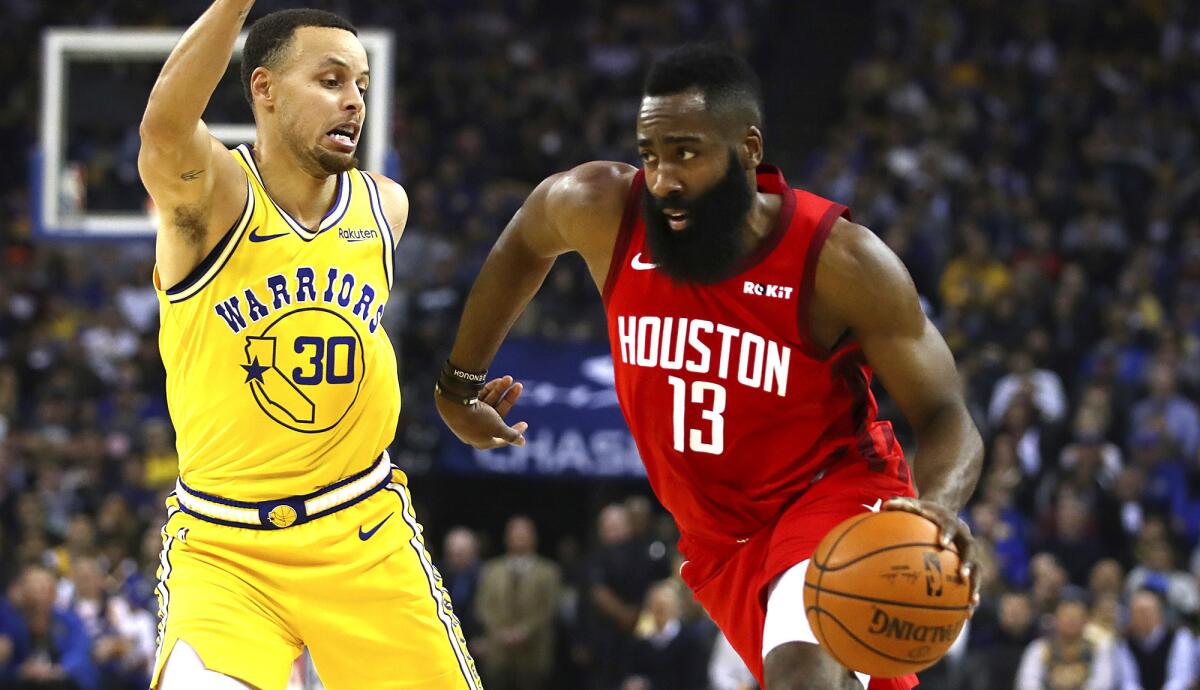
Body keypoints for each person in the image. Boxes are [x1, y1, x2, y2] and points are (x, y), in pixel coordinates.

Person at [437, 44, 983, 690]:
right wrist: (457, 388)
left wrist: (936, 507)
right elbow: (523, 242)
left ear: (748, 149)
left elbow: (947, 414)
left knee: (801, 671)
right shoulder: (602, 207)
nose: (664, 176)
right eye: (650, 153)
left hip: (828, 495)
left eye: (686, 153)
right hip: (716, 541)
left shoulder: (840, 262)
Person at [137, 3, 479, 688]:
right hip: (226, 550)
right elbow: (166, 126)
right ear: (263, 88)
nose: (353, 101)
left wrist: (460, 383)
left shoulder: (385, 207)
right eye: (329, 81)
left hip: (362, 533)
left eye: (360, 84)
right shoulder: (212, 198)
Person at [474, 516, 561, 690]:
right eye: (515, 535)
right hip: (498, 653)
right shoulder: (491, 570)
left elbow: (549, 608)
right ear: (506, 538)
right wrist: (501, 631)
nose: (519, 539)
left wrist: (525, 630)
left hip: (534, 654)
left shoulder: (549, 572)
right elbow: (483, 606)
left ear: (534, 538)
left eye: (524, 535)